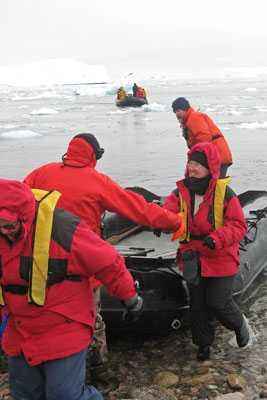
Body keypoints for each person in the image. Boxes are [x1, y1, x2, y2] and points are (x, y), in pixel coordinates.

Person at [23, 133, 184, 394]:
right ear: (93, 156)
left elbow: (14, 202)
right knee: (91, 320)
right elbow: (138, 209)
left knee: (39, 314)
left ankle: (39, 366)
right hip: (82, 267)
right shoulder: (97, 182)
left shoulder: (41, 173)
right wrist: (174, 221)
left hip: (37, 264)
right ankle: (99, 375)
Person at [0, 179, 144, 400]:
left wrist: (130, 299)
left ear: (24, 217)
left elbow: (108, 262)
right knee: (24, 394)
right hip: (19, 327)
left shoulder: (64, 230)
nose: (5, 232)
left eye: (10, 226)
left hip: (63, 322)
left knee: (64, 395)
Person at [162, 142, 249, 361]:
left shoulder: (225, 193)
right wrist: (160, 223)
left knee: (218, 302)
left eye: (197, 164)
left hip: (220, 255)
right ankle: (204, 345)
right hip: (192, 254)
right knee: (198, 304)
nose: (191, 168)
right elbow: (167, 214)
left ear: (210, 167)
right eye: (190, 163)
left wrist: (217, 238)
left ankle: (239, 324)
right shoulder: (179, 192)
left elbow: (238, 226)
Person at [171, 97, 232, 178]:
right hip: (214, 157)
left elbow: (204, 139)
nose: (176, 114)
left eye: (178, 111)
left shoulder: (194, 117)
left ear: (185, 109)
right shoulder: (188, 121)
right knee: (207, 184)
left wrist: (198, 161)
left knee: (215, 185)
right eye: (175, 112)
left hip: (218, 157)